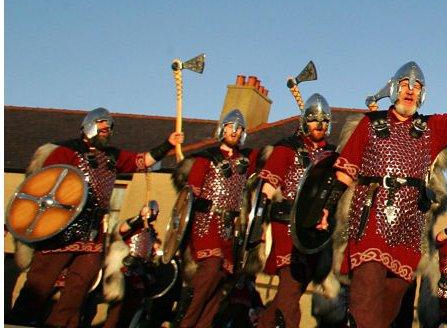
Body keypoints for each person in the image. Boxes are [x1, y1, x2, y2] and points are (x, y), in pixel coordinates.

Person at [330, 61, 447, 328]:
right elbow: (345, 171)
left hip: (409, 227)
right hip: (371, 219)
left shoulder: (430, 128)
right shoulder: (369, 125)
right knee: (365, 296)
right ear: (393, 89)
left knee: (389, 306)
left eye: (417, 87)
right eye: (404, 86)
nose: (410, 91)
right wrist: (325, 209)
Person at [8, 108, 182, 327]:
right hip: (63, 227)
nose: (106, 130)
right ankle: (18, 321)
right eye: (101, 125)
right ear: (88, 126)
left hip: (93, 234)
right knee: (41, 282)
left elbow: (142, 161)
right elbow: (45, 186)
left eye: (109, 127)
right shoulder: (66, 152)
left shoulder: (111, 157)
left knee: (79, 287)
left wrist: (168, 144)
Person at [256, 93, 337, 328]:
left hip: (314, 230)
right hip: (286, 225)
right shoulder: (287, 148)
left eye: (323, 121)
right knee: (291, 288)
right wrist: (260, 226)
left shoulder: (332, 155)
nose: (319, 125)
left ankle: (263, 323)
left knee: (293, 290)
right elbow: (267, 187)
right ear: (304, 122)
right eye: (313, 120)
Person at [176, 109, 259, 328]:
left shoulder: (245, 160)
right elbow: (189, 196)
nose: (235, 131)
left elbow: (271, 156)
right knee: (210, 269)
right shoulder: (205, 159)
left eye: (239, 128)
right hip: (205, 223)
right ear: (223, 128)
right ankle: (186, 323)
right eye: (232, 126)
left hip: (228, 229)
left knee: (220, 282)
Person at [102, 200, 162, 328]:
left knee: (129, 313)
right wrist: (140, 218)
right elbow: (122, 230)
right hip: (125, 270)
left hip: (140, 275)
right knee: (116, 311)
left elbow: (151, 254)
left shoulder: (152, 233)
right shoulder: (135, 225)